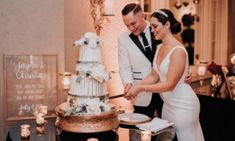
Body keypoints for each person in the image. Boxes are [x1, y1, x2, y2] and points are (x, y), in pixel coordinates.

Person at [125, 9, 204, 141]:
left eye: (155, 26)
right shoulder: (159, 47)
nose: (152, 30)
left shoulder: (178, 51)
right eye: (151, 27)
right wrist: (136, 86)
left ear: (167, 25)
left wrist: (140, 89)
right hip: (168, 105)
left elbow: (170, 84)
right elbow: (155, 75)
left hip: (183, 105)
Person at [118, 3, 191, 119]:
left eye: (133, 23)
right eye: (127, 25)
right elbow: (124, 67)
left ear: (142, 15)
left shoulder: (158, 29)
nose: (131, 28)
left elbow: (175, 53)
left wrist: (183, 71)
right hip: (141, 94)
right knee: (140, 132)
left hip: (167, 93)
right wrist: (129, 85)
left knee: (166, 132)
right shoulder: (123, 39)